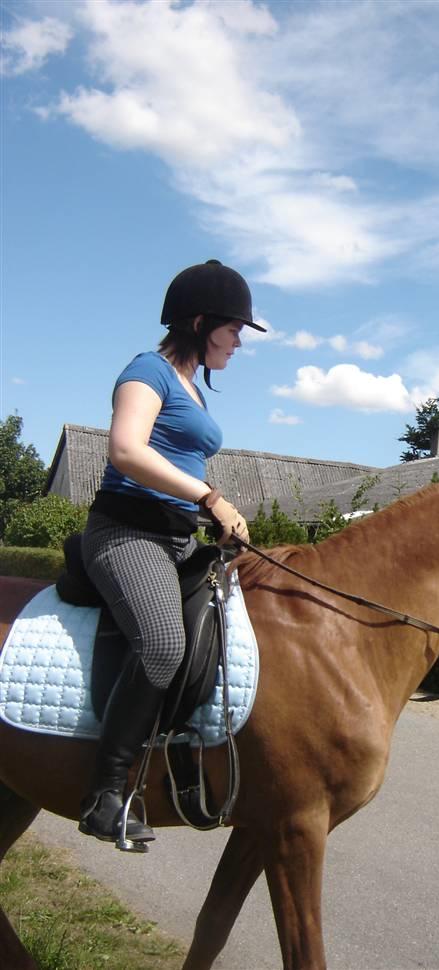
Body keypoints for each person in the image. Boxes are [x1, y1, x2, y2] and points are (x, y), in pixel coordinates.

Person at [78, 259, 263, 845]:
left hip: (177, 537)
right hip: (126, 534)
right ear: (201, 321)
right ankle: (105, 793)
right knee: (161, 643)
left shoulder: (191, 388)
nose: (238, 341)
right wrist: (210, 495)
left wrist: (212, 519)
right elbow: (127, 451)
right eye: (234, 328)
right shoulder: (146, 371)